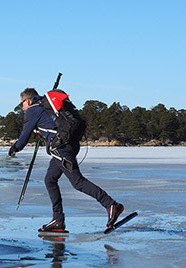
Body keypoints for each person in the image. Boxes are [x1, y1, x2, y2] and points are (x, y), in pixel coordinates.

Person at [8, 87, 127, 233]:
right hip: (68, 145)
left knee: (77, 181)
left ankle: (111, 205)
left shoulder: (33, 110)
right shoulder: (44, 106)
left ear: (27, 100)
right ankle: (58, 220)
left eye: (22, 104)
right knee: (50, 179)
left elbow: (24, 137)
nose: (22, 107)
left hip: (61, 149)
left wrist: (14, 148)